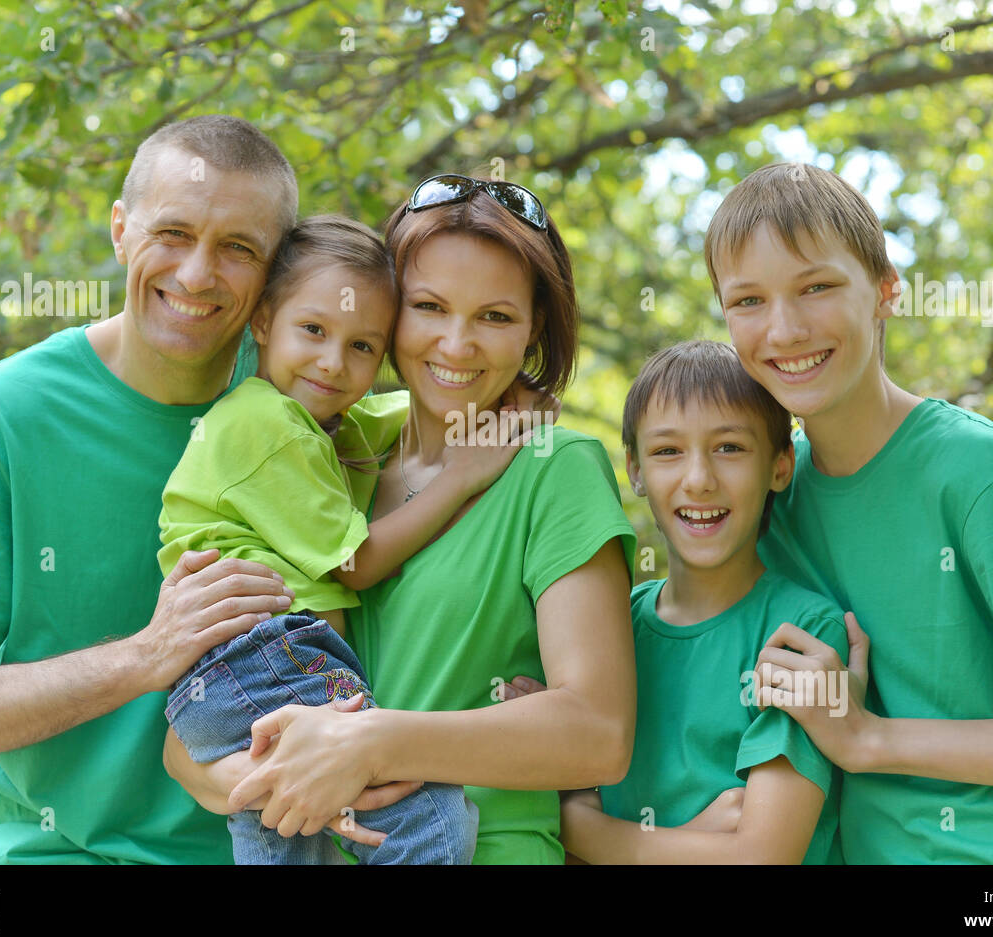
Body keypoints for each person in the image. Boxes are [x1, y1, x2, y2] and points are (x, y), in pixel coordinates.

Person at [0, 115, 330, 864]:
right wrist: (147, 653)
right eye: (172, 232)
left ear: (276, 272)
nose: (197, 273)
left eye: (238, 248)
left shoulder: (312, 403)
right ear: (120, 229)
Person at [164, 173, 638, 864]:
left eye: (496, 317)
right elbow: (186, 743)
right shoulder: (329, 452)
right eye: (429, 307)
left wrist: (370, 741)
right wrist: (259, 776)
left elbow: (599, 732)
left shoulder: (553, 467)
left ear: (535, 328)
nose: (457, 344)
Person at [705, 161, 993, 863]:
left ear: (885, 291)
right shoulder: (771, 490)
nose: (784, 329)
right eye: (748, 301)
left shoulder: (980, 475)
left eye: (816, 287)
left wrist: (867, 737)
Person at [558, 340, 847, 864]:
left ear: (781, 465)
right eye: (668, 451)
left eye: (730, 448)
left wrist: (577, 825)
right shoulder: (611, 626)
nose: (698, 480)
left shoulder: (801, 632)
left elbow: (761, 856)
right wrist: (694, 840)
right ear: (636, 470)